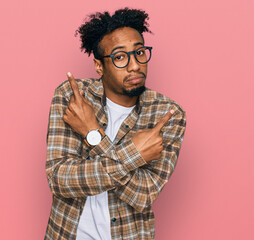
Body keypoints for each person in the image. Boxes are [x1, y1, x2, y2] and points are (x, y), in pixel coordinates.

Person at [44, 8, 186, 240]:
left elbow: (144, 194)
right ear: (99, 66)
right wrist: (134, 155)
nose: (134, 65)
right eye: (120, 57)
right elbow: (60, 179)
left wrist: (92, 134)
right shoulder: (74, 97)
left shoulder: (167, 114)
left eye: (139, 52)